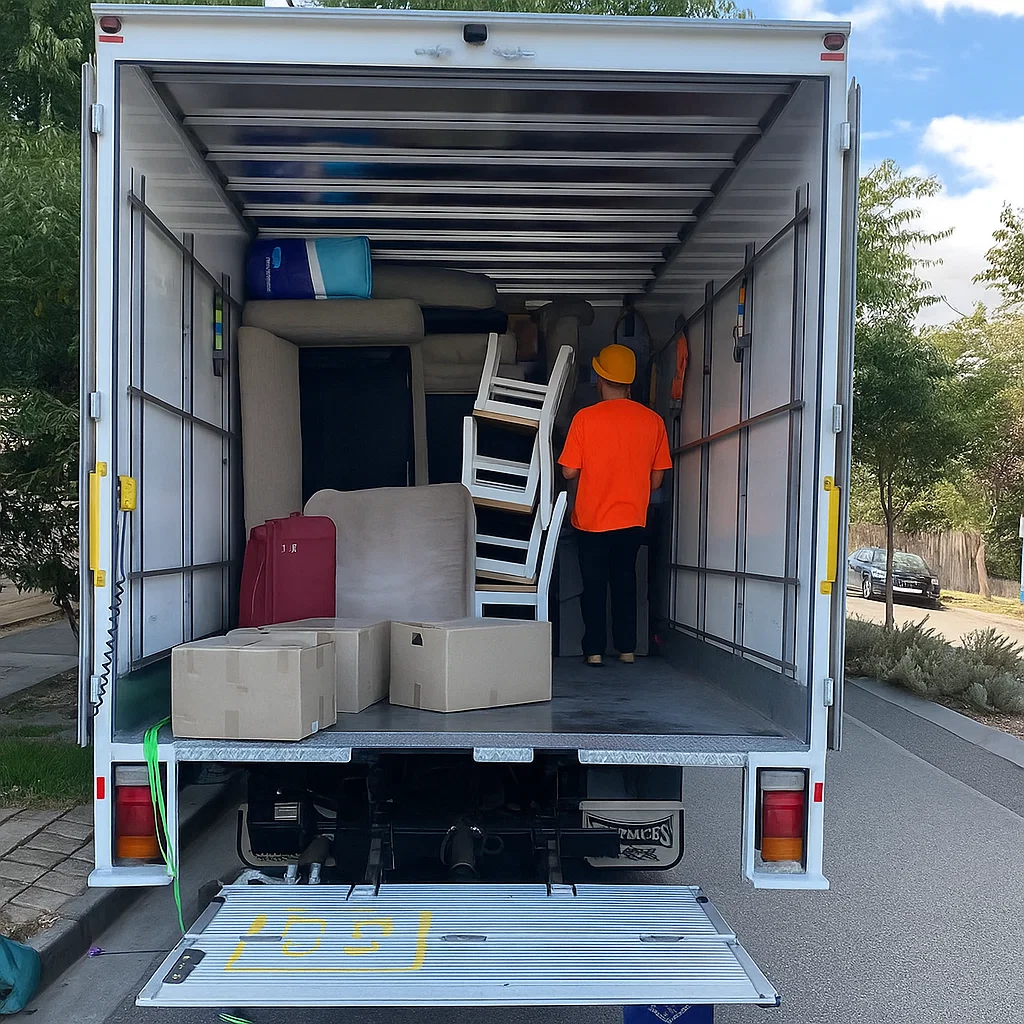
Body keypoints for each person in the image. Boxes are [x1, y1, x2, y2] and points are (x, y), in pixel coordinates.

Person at [558, 344, 672, 667]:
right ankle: (627, 649)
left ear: (601, 380)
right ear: (629, 383)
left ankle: (593, 651)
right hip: (632, 518)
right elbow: (657, 480)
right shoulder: (653, 422)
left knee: (593, 585)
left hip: (591, 520)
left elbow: (568, 470)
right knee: (624, 582)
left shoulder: (584, 419)